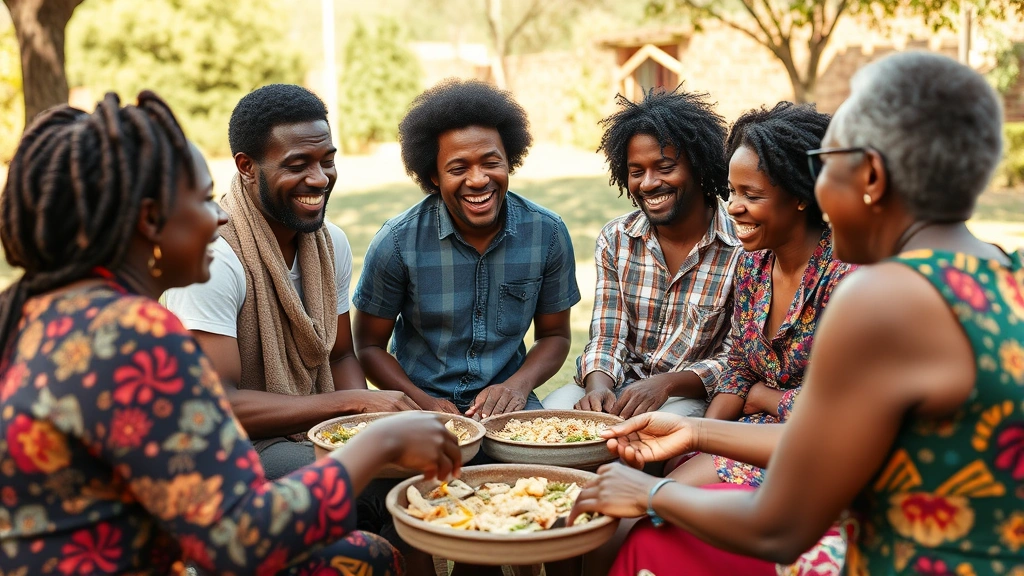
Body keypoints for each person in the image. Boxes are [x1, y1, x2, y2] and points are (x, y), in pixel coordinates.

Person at [570, 52, 1024, 576]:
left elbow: (781, 526)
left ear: (871, 173)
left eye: (823, 168)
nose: (818, 191)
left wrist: (653, 492)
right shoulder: (999, 273)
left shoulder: (885, 296)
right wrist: (693, 433)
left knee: (644, 546)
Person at [0, 92, 461, 575]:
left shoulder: (44, 310)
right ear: (150, 221)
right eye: (202, 199)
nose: (220, 216)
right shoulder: (129, 336)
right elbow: (242, 540)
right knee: (365, 558)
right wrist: (380, 441)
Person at [164, 84, 418, 480]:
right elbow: (215, 404)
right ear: (247, 167)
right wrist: (350, 405)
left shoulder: (330, 243)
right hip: (233, 448)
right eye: (298, 165)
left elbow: (339, 356)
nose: (319, 179)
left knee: (411, 465)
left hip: (313, 430)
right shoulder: (213, 258)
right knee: (379, 476)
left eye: (327, 160)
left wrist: (365, 425)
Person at [353, 79, 580, 420]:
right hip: (420, 404)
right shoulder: (397, 243)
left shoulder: (547, 234)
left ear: (510, 161)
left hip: (508, 402)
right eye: (459, 168)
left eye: (491, 162)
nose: (478, 180)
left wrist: (517, 386)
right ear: (434, 176)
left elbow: (556, 336)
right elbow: (368, 347)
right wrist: (421, 401)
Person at [672, 102, 852, 490]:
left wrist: (764, 397)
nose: (734, 207)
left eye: (751, 195)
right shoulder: (753, 266)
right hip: (751, 433)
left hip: (815, 452)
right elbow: (740, 365)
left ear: (801, 196)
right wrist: (696, 433)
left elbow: (841, 413)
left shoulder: (847, 278)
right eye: (732, 191)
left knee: (650, 508)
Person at [543, 86, 742, 419]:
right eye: (637, 172)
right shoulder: (616, 238)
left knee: (639, 441)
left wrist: (665, 384)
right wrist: (598, 388)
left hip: (687, 395)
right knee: (547, 421)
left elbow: (736, 358)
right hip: (618, 383)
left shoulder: (742, 247)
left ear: (699, 167)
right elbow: (607, 335)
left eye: (665, 168)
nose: (648, 183)